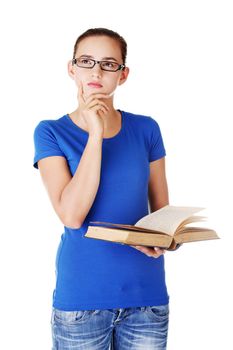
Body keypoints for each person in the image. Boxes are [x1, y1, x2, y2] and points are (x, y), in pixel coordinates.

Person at [33, 28, 170, 350]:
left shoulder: (146, 128)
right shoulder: (50, 132)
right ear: (72, 68)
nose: (96, 71)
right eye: (86, 61)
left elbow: (163, 214)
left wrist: (166, 240)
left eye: (109, 64)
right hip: (82, 300)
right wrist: (95, 134)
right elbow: (71, 215)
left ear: (123, 75)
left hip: (146, 298)